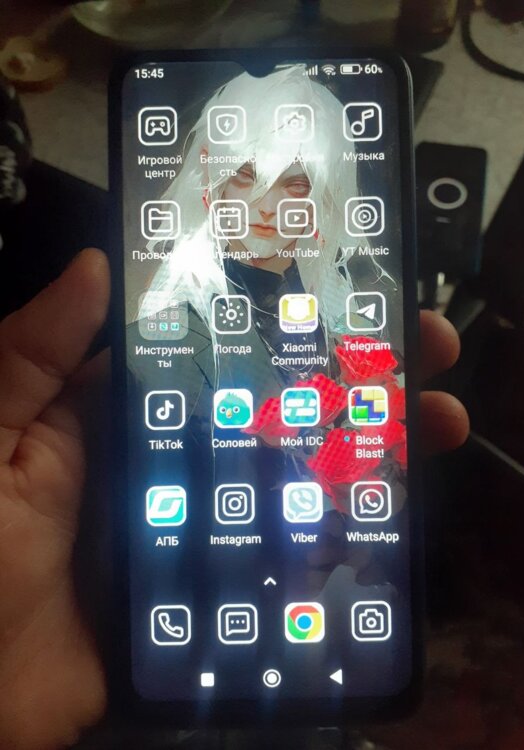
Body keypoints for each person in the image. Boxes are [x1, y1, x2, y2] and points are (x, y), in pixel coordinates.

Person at [0, 248, 468, 749]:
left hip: (290, 582)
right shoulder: (167, 337)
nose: (266, 217)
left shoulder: (337, 333)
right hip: (197, 581)